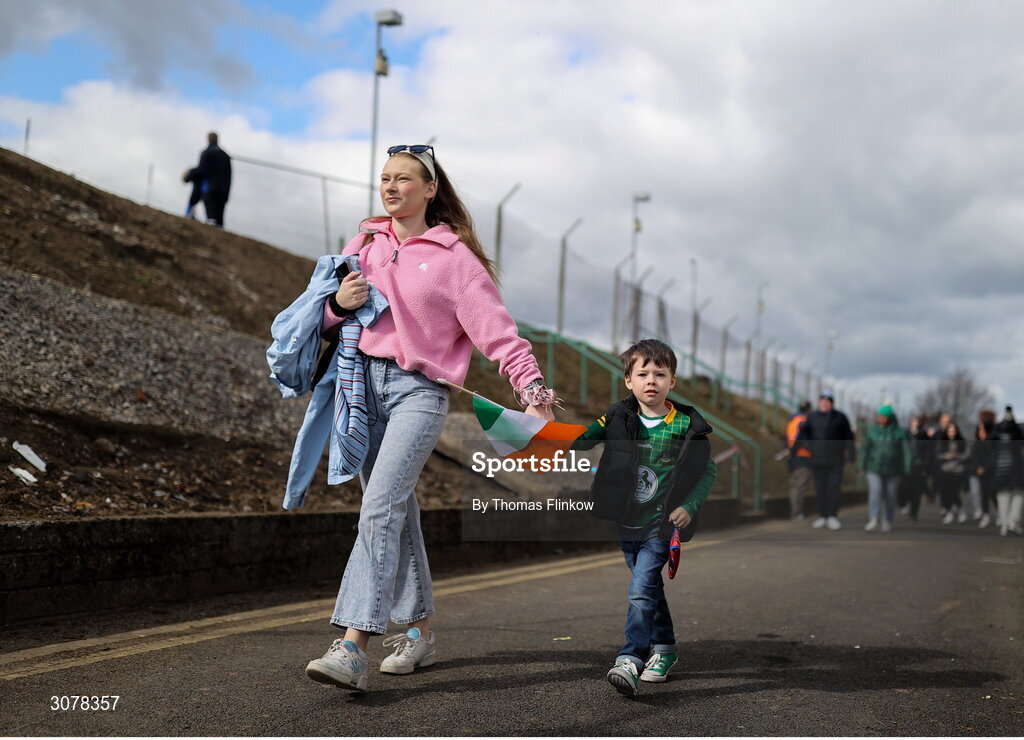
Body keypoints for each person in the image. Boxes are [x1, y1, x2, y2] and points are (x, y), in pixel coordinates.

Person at [300, 144, 556, 692]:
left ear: (430, 188)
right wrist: (340, 304)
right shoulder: (364, 243)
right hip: (358, 386)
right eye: (385, 178)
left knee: (379, 505)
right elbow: (317, 315)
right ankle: (419, 635)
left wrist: (531, 388)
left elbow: (497, 331)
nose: (391, 187)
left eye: (404, 179)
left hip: (419, 392)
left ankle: (352, 646)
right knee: (397, 507)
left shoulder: (453, 258)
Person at [571, 339, 717, 697]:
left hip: (660, 524)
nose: (651, 380)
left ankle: (631, 658)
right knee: (649, 587)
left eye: (660, 374)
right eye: (643, 373)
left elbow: (707, 471)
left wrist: (690, 506)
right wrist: (540, 419)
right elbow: (579, 442)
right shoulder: (617, 417)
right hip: (627, 520)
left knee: (639, 592)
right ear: (628, 381)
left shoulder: (685, 425)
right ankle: (665, 650)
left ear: (673, 382)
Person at [795, 388, 855, 530]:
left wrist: (851, 455)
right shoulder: (812, 417)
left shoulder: (840, 417)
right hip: (817, 460)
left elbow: (848, 438)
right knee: (820, 490)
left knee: (833, 488)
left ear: (832, 403)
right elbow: (803, 436)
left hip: (836, 461)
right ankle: (823, 516)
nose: (824, 403)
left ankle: (833, 516)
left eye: (827, 401)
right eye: (822, 401)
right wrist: (810, 447)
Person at [859, 404, 912, 533]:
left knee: (891, 495)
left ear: (889, 418)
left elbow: (906, 451)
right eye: (879, 416)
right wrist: (862, 465)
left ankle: (887, 520)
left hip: (894, 470)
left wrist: (908, 467)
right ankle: (873, 518)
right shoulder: (872, 431)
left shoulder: (899, 433)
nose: (880, 418)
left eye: (883, 416)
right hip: (874, 468)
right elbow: (865, 449)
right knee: (875, 492)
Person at [992, 406, 1024, 536]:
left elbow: (991, 447)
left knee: (1003, 496)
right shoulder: (1018, 431)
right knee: (1018, 494)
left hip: (1000, 468)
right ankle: (1012, 521)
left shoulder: (997, 430)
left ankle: (1005, 523)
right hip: (1015, 467)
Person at [193, 131, 231, 227]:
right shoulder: (225, 156)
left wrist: (190, 174)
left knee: (211, 218)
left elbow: (200, 170)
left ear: (208, 139)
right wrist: (227, 193)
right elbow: (229, 176)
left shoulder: (206, 153)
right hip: (223, 190)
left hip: (209, 189)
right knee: (220, 220)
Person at [935, 421, 968, 524]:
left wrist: (957, 455)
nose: (952, 432)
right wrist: (946, 456)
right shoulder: (942, 442)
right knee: (946, 493)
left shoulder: (962, 442)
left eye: (954, 430)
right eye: (950, 430)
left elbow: (967, 455)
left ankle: (953, 511)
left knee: (954, 491)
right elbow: (937, 455)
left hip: (958, 471)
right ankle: (953, 509)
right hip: (945, 470)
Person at [785, 401, 813, 520]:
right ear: (808, 410)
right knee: (800, 487)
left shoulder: (791, 423)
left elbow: (789, 441)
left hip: (793, 459)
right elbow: (803, 441)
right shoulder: (805, 423)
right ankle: (797, 513)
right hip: (804, 457)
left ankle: (794, 512)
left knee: (794, 486)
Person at [969, 411, 996, 528]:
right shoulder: (976, 444)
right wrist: (978, 467)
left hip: (991, 473)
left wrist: (985, 467)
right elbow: (974, 457)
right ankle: (985, 515)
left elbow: (992, 457)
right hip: (980, 473)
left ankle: (1000, 512)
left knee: (993, 494)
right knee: (983, 494)